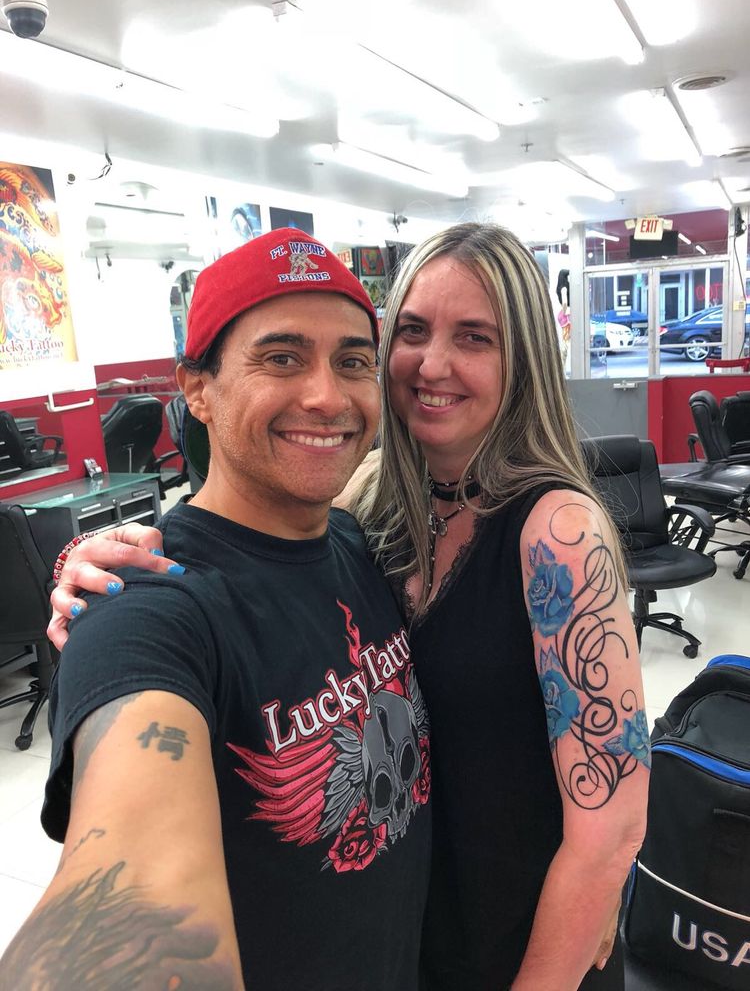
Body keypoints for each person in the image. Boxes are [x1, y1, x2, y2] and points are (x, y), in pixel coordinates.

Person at [47, 223, 649, 990]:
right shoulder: (367, 507)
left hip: (526, 950)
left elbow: (611, 829)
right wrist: (96, 566)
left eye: (474, 337)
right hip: (425, 945)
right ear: (195, 387)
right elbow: (124, 877)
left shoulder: (556, 531)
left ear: (523, 357)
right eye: (413, 332)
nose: (432, 364)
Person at [0, 229, 431, 991]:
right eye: (282, 358)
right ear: (196, 388)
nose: (328, 397)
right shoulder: (148, 607)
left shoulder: (358, 537)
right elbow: (130, 893)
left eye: (352, 362)